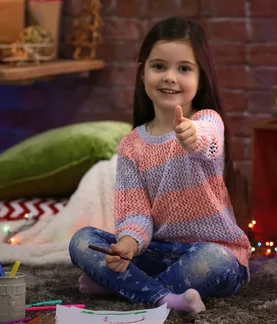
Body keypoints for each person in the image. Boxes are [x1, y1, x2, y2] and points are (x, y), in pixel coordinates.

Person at [69, 16, 251, 314]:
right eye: (159, 66)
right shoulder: (131, 145)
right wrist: (127, 245)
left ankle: (123, 287)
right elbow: (136, 214)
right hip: (157, 250)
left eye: (184, 69)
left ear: (200, 78)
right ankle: (165, 299)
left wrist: (193, 137)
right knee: (82, 241)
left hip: (214, 254)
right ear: (142, 75)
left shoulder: (206, 122)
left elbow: (209, 142)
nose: (170, 76)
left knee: (213, 259)